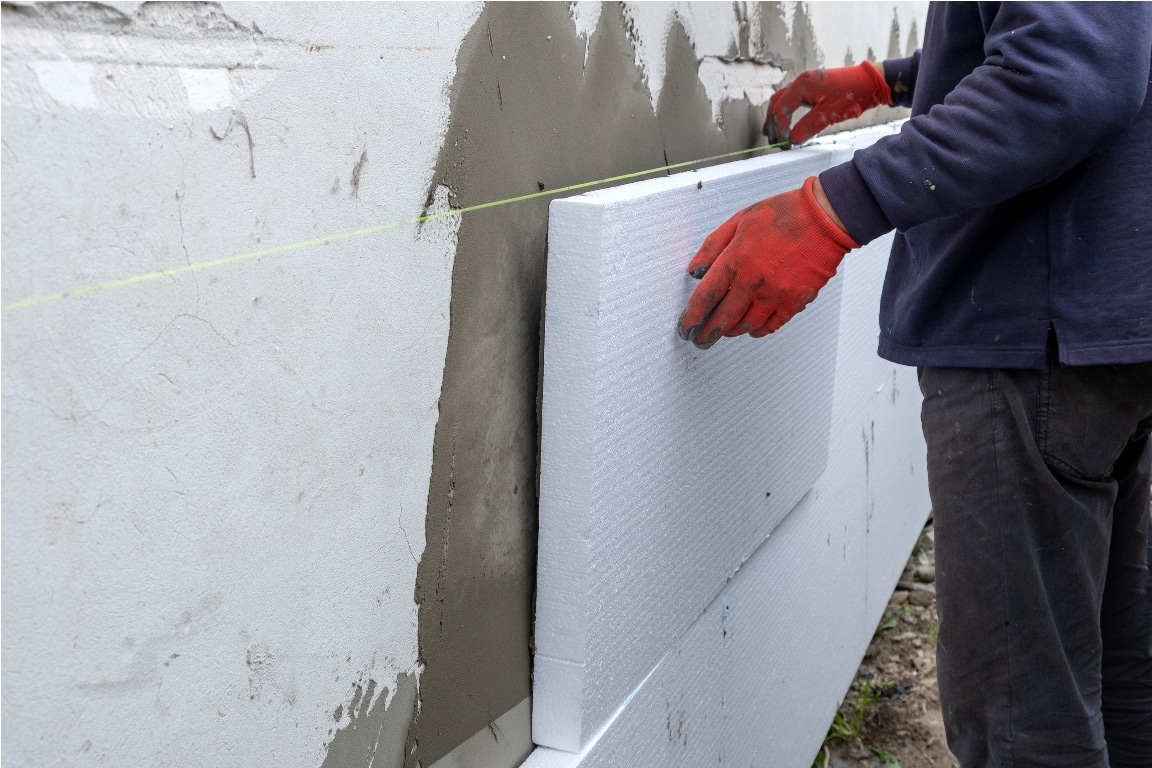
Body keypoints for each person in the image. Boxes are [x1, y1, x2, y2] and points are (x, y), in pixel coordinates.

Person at [677, 3, 1152, 766]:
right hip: (1104, 321)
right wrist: (892, 79)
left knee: (1025, 725)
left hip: (1030, 332)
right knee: (1117, 671)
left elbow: (1070, 73)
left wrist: (832, 209)